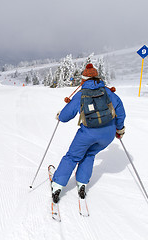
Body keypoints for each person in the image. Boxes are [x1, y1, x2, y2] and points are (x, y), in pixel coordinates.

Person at [51, 63, 126, 203]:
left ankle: (57, 185)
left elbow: (66, 116)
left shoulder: (81, 95)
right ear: (98, 78)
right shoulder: (108, 92)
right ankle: (82, 182)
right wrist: (119, 129)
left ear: (83, 79)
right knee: (90, 154)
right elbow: (120, 112)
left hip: (88, 133)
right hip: (108, 134)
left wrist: (59, 116)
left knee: (72, 156)